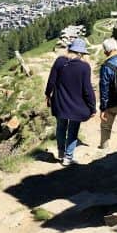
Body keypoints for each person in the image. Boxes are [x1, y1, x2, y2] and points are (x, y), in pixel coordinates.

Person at [45, 37, 96, 166]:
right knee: (73, 130)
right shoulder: (84, 67)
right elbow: (87, 89)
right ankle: (68, 157)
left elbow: (51, 81)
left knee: (61, 127)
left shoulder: (59, 61)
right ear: (80, 53)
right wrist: (92, 107)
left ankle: (61, 152)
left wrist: (47, 95)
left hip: (60, 102)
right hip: (77, 105)